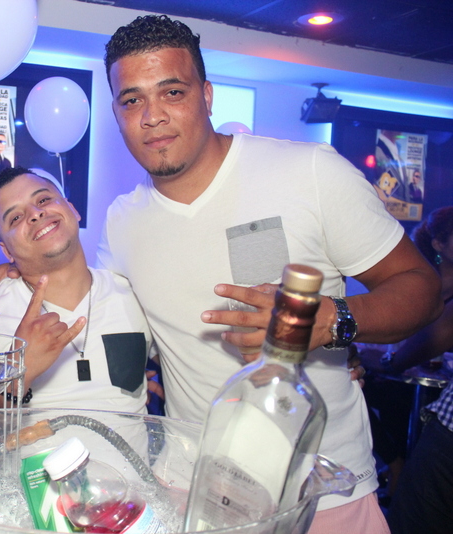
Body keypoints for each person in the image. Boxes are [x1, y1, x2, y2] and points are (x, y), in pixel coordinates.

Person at [97, 14, 442, 533]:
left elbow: (423, 289)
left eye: (172, 92)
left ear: (207, 96)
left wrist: (333, 321)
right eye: (132, 100)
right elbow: (107, 319)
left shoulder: (310, 172)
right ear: (117, 113)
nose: (152, 116)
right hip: (194, 489)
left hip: (320, 493)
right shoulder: (121, 222)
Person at [0, 167, 151, 414]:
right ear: (6, 250)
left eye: (43, 200)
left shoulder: (134, 293)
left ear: (73, 209)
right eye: (16, 218)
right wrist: (20, 368)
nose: (35, 214)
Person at [359, 206, 453, 534]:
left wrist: (391, 362)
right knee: (367, 386)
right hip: (412, 379)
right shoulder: (424, 280)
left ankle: (396, 464)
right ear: (439, 244)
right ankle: (395, 461)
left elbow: (440, 334)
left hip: (437, 406)